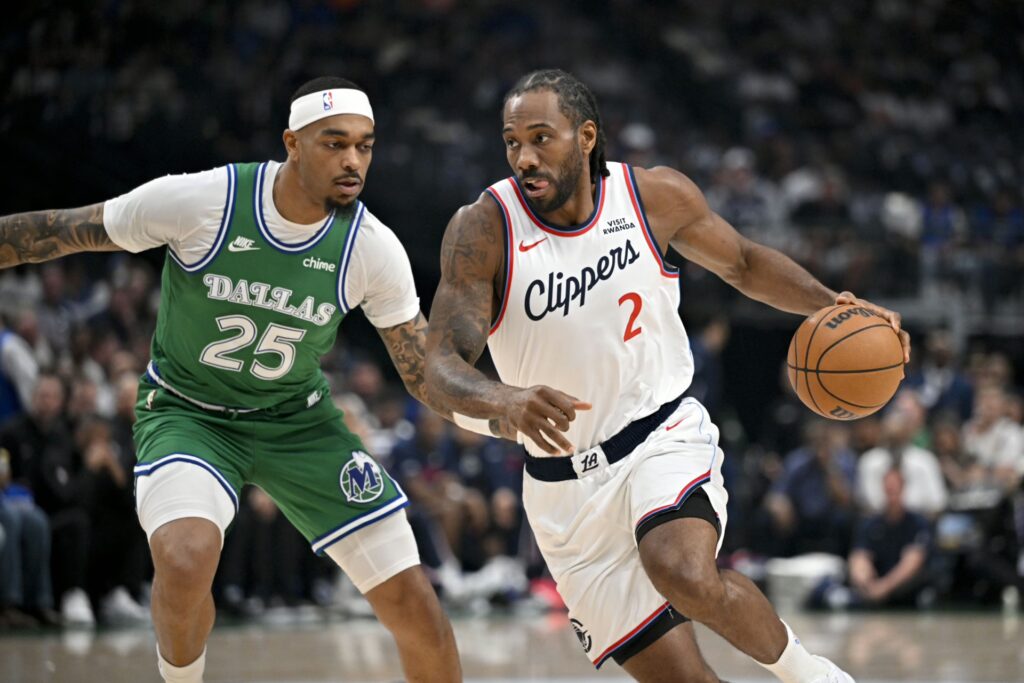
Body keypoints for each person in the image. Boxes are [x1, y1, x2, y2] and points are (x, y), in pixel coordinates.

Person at [424, 69, 911, 682]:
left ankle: (813, 675)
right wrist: (505, 398)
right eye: (511, 141)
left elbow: (742, 262)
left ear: (586, 136)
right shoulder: (484, 229)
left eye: (541, 138)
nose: (524, 156)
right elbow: (437, 366)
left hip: (661, 434)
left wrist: (834, 306)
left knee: (682, 572)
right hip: (562, 492)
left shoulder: (653, 197)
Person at [0, 77, 460, 683]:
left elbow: (424, 373)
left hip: (296, 421)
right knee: (186, 558)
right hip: (190, 412)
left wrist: (505, 408)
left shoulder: (371, 247)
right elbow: (62, 230)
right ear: (292, 143)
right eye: (334, 143)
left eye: (365, 145)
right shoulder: (204, 200)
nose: (353, 160)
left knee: (415, 603)